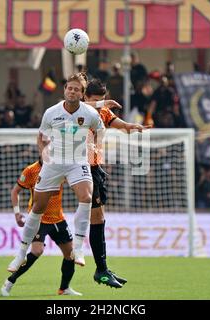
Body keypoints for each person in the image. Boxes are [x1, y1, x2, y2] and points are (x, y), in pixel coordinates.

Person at [8, 73, 104, 272]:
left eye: (77, 89)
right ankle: (20, 253)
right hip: (54, 162)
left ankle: (78, 247)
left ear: (82, 93)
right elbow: (41, 137)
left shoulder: (90, 114)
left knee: (86, 197)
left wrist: (95, 148)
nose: (72, 91)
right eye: (70, 87)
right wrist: (44, 154)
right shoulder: (51, 113)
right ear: (65, 89)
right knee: (37, 208)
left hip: (77, 161)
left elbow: (100, 130)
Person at [83, 78, 150, 288]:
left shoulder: (102, 110)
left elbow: (116, 123)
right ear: (86, 97)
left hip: (97, 167)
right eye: (96, 100)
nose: (100, 103)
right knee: (96, 218)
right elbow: (78, 106)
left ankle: (102, 267)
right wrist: (101, 104)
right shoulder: (79, 110)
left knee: (99, 218)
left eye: (102, 99)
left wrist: (131, 126)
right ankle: (100, 269)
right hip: (82, 168)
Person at [1, 157, 81, 297]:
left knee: (70, 255)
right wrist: (17, 213)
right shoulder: (31, 170)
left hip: (58, 219)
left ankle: (64, 288)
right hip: (39, 219)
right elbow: (15, 191)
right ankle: (10, 281)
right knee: (37, 251)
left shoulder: (60, 166)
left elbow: (74, 179)